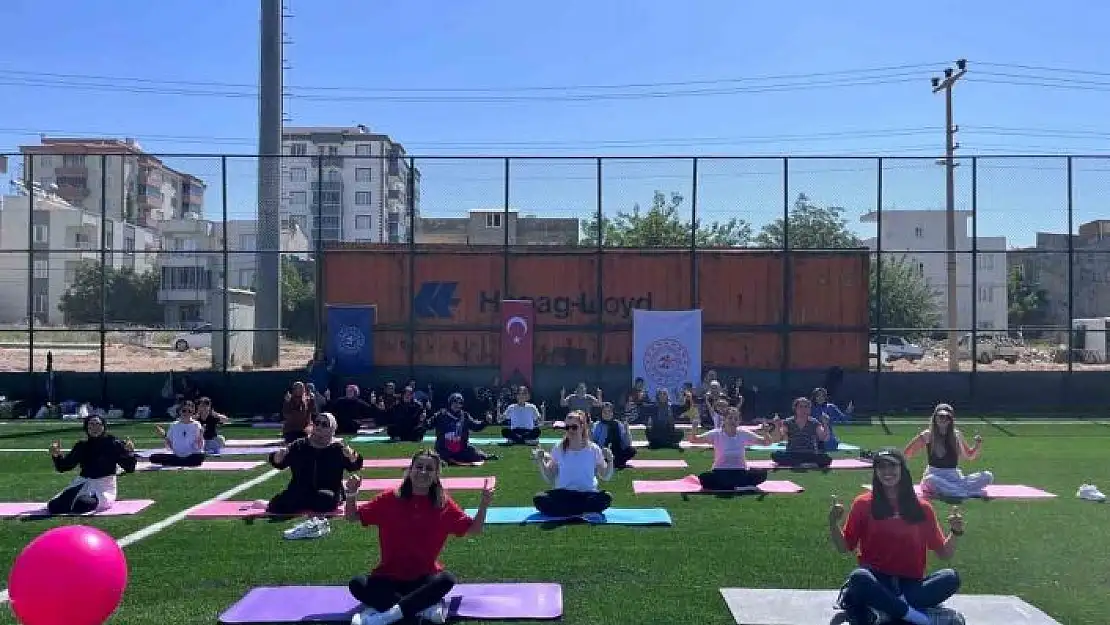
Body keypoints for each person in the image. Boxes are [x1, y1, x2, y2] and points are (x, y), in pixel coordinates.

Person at [344, 449, 495, 625]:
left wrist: (484, 504)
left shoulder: (443, 505)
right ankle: (421, 607)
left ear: (436, 475)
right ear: (410, 470)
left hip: (424, 578)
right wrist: (351, 494)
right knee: (357, 583)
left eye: (429, 469)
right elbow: (352, 516)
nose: (423, 472)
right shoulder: (389, 498)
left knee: (447, 579)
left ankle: (387, 614)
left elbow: (474, 530)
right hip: (389, 577)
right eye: (419, 467)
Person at [829, 448, 966, 625]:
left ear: (902, 469)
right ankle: (918, 617)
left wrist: (955, 532)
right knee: (858, 578)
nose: (887, 472)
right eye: (881, 467)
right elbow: (844, 547)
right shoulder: (863, 504)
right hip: (876, 580)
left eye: (892, 466)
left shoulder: (922, 507)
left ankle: (883, 612)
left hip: (910, 585)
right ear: (876, 472)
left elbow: (944, 554)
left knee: (951, 578)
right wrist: (833, 524)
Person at [268, 413, 365, 539]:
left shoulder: (337, 448)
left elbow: (355, 466)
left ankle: (304, 503)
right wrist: (277, 457)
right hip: (300, 489)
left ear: (332, 429)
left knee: (325, 500)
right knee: (278, 506)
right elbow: (279, 463)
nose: (319, 426)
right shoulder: (299, 445)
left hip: (327, 491)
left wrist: (352, 457)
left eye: (324, 424)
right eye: (317, 423)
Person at [47, 415, 138, 515]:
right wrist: (56, 455)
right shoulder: (82, 445)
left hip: (104, 486)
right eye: (91, 425)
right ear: (86, 428)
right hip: (82, 482)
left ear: (103, 426)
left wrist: (130, 453)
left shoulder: (113, 443)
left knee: (82, 504)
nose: (95, 428)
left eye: (98, 424)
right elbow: (64, 467)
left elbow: (130, 468)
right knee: (53, 506)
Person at [532, 410, 616, 518]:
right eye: (567, 427)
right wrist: (541, 461)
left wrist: (610, 460)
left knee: (606, 498)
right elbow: (549, 477)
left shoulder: (593, 449)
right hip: (564, 494)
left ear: (582, 427)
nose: (570, 430)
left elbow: (605, 476)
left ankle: (566, 511)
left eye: (574, 427)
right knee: (539, 498)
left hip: (587, 494)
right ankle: (580, 512)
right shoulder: (558, 448)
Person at [904, 404, 993, 500]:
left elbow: (969, 456)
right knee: (930, 480)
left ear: (951, 420)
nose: (944, 419)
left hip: (954, 477)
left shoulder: (957, 434)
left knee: (988, 476)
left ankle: (958, 492)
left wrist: (977, 446)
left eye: (947, 417)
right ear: (935, 418)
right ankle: (965, 492)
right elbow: (907, 453)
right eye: (941, 416)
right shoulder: (928, 435)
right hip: (935, 475)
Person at [688, 407, 773, 490]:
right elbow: (693, 440)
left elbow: (767, 442)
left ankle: (728, 485)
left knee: (762, 473)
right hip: (721, 471)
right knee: (704, 478)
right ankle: (737, 484)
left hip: (740, 471)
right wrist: (694, 429)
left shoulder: (743, 433)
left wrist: (766, 432)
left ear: (739, 421)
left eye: (736, 419)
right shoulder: (716, 434)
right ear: (724, 420)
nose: (733, 421)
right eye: (730, 418)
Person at [769, 397, 833, 469]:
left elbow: (824, 438)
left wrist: (825, 424)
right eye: (800, 407)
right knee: (775, 455)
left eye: (806, 407)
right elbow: (778, 438)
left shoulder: (814, 422)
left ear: (809, 409)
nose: (803, 409)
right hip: (792, 453)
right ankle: (807, 464)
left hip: (809, 454)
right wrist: (777, 426)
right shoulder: (788, 422)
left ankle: (800, 464)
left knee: (827, 458)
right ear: (795, 409)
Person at [431, 392, 492, 465]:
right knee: (442, 457)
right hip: (444, 448)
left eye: (460, 403)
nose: (457, 405)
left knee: (475, 455)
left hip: (461, 448)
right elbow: (429, 424)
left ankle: (484, 455)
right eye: (455, 402)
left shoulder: (465, 416)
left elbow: (475, 426)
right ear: (450, 402)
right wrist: (422, 420)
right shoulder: (441, 415)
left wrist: (485, 422)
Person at [150, 399, 206, 467]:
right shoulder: (174, 425)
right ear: (180, 411)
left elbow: (200, 446)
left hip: (192, 455)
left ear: (193, 412)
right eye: (184, 411)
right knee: (152, 457)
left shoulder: (196, 425)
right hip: (176, 455)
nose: (187, 413)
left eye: (189, 411)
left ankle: (176, 462)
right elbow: (169, 445)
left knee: (200, 457)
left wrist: (201, 434)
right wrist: (164, 435)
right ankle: (182, 462)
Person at [591, 402, 636, 469]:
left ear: (612, 413)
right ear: (601, 413)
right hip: (603, 452)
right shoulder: (597, 425)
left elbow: (627, 443)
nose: (607, 414)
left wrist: (627, 431)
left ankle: (616, 463)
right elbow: (593, 443)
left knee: (631, 450)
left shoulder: (618, 424)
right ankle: (615, 464)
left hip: (617, 450)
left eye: (609, 411)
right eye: (605, 412)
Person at [812, 387, 852, 451]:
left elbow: (844, 419)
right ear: (814, 397)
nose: (820, 398)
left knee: (830, 445)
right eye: (818, 396)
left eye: (823, 396)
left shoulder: (831, 407)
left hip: (828, 437)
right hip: (813, 436)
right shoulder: (810, 408)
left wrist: (848, 412)